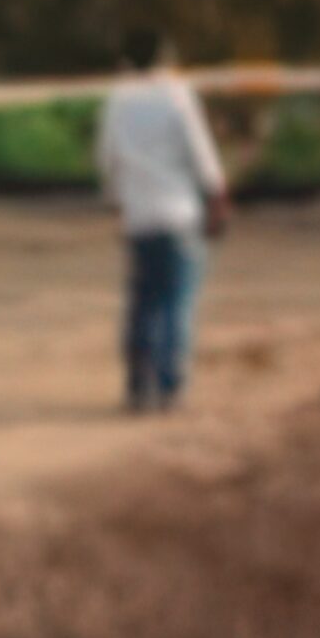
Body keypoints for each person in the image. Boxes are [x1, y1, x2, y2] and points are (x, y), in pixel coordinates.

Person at [95, 29, 229, 414]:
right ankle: (170, 387)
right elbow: (200, 151)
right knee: (176, 303)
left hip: (139, 217)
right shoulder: (175, 93)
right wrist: (217, 195)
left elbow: (107, 158)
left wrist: (117, 202)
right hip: (178, 214)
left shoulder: (118, 98)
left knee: (143, 303)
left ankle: (138, 386)